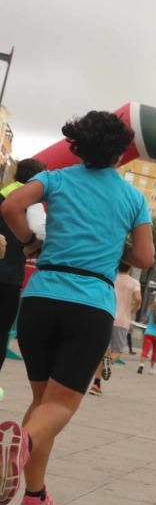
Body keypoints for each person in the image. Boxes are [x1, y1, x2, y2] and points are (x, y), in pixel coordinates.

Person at [0, 110, 154, 505]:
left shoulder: (56, 180)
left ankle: (35, 498)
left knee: (42, 402)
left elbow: (13, 204)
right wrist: (110, 243)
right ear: (120, 153)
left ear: (76, 146)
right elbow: (144, 257)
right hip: (89, 304)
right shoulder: (132, 199)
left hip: (41, 298)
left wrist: (30, 242)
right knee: (62, 405)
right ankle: (18, 445)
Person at [0, 158, 47, 374]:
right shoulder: (31, 203)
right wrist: (31, 245)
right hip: (8, 277)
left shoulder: (2, 193)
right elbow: (42, 230)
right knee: (1, 332)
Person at [89, 262, 140, 395]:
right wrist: (131, 310)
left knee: (103, 352)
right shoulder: (134, 282)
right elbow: (138, 299)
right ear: (130, 267)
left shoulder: (112, 277)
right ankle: (109, 362)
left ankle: (96, 384)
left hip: (106, 316)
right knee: (116, 351)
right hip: (122, 320)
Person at [137, 299, 156, 375]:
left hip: (148, 333)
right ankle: (151, 369)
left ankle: (141, 365)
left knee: (145, 350)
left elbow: (145, 320)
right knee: (154, 352)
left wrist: (141, 323)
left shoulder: (151, 310)